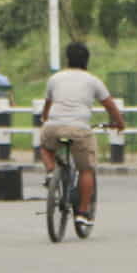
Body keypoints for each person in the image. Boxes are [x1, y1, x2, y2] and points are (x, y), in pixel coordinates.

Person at [39, 42, 127, 228]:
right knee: (86, 169)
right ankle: (83, 213)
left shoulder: (55, 79)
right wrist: (119, 123)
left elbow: (47, 106)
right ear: (87, 60)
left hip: (53, 127)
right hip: (79, 131)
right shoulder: (93, 81)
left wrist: (46, 120)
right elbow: (110, 106)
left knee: (45, 147)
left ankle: (50, 172)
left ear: (67, 59)